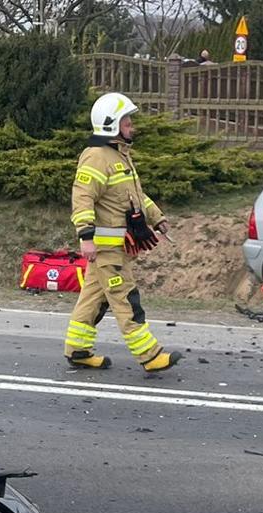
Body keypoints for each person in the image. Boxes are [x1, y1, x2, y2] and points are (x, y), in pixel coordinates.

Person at [65, 92, 180, 373]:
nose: (132, 126)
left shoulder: (119, 156)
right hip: (106, 250)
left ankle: (77, 350)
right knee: (127, 300)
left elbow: (136, 197)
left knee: (94, 298)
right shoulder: (96, 158)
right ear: (111, 125)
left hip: (116, 248)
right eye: (127, 122)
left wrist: (157, 218)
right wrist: (86, 237)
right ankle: (150, 356)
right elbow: (82, 199)